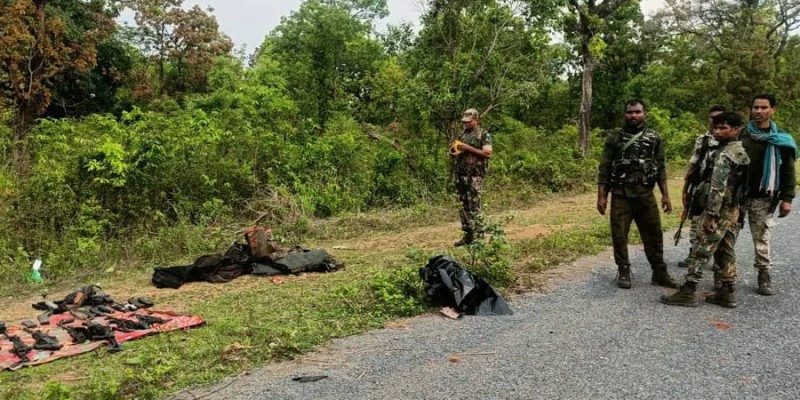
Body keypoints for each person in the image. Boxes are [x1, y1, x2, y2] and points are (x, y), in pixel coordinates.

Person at [661, 111, 750, 308]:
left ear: (735, 130)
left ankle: (688, 290)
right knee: (726, 249)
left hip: (719, 210)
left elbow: (717, 187)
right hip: (734, 209)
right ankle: (727, 291)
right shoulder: (741, 151)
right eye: (716, 128)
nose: (717, 132)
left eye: (723, 128)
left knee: (701, 247)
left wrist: (711, 215)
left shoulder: (725, 154)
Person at [597, 99, 678, 289]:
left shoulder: (654, 137)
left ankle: (659, 272)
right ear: (625, 114)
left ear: (645, 114)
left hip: (645, 195)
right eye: (630, 112)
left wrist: (665, 195)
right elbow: (605, 168)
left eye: (638, 112)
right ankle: (624, 270)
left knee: (654, 234)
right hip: (621, 195)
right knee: (619, 235)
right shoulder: (615, 138)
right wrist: (602, 196)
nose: (634, 116)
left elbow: (660, 167)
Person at [740, 93, 798, 295]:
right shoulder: (742, 135)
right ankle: (723, 276)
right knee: (724, 235)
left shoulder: (782, 139)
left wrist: (787, 198)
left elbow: (788, 171)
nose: (758, 111)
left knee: (762, 238)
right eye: (755, 107)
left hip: (764, 196)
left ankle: (764, 275)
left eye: (764, 107)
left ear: (772, 110)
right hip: (737, 195)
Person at [678, 105, 726, 269]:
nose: (715, 121)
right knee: (695, 223)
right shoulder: (703, 139)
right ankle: (694, 254)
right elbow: (693, 164)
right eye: (712, 118)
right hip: (700, 188)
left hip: (721, 191)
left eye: (719, 118)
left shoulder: (731, 141)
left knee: (719, 225)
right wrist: (686, 189)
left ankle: (718, 259)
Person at [450, 108, 493, 247]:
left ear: (476, 120)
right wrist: (454, 150)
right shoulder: (462, 134)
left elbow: (487, 153)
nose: (466, 124)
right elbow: (455, 152)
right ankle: (468, 236)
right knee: (463, 206)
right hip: (460, 175)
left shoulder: (483, 134)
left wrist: (467, 148)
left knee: (474, 205)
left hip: (474, 175)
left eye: (469, 122)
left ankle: (479, 237)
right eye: (464, 122)